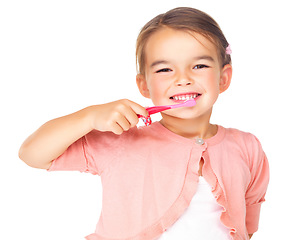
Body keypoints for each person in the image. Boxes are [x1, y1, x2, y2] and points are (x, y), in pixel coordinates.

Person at [19, 7, 269, 240]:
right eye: (164, 70)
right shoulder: (120, 141)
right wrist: (89, 116)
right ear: (144, 85)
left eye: (199, 65)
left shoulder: (248, 148)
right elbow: (32, 154)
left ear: (223, 79)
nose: (182, 79)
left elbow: (247, 227)